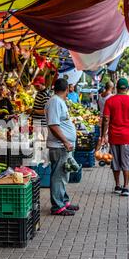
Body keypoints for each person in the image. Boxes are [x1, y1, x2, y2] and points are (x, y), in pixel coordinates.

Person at [101, 78, 129, 197]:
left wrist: (103, 136)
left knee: (115, 162)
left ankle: (117, 185)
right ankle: (125, 187)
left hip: (113, 137)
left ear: (116, 88)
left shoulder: (110, 101)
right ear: (128, 89)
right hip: (127, 138)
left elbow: (105, 119)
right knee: (127, 162)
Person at [45, 78, 78, 216]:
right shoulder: (55, 102)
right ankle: (57, 206)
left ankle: (64, 201)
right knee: (58, 175)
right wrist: (65, 141)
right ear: (66, 90)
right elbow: (53, 124)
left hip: (63, 146)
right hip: (59, 146)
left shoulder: (58, 101)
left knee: (63, 174)